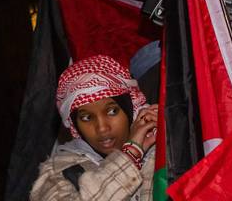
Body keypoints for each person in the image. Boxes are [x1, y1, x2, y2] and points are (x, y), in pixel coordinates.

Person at [30, 55, 159, 201]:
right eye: (86, 118)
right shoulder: (58, 171)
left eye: (112, 111)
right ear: (74, 124)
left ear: (129, 109)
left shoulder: (163, 155)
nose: (102, 128)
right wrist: (130, 155)